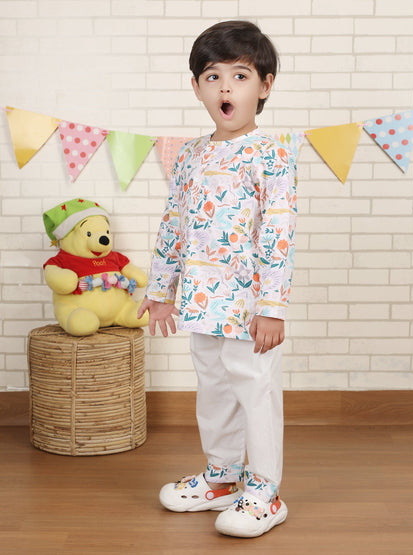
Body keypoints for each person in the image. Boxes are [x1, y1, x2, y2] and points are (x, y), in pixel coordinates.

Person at [137, 20, 297, 538]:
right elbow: (174, 226)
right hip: (201, 301)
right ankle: (223, 477)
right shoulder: (189, 154)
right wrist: (161, 292)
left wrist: (272, 308)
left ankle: (265, 491)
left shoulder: (272, 154)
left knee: (256, 390)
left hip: (249, 309)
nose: (225, 87)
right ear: (197, 87)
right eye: (213, 76)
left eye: (240, 76)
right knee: (213, 389)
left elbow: (278, 233)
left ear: (264, 86)